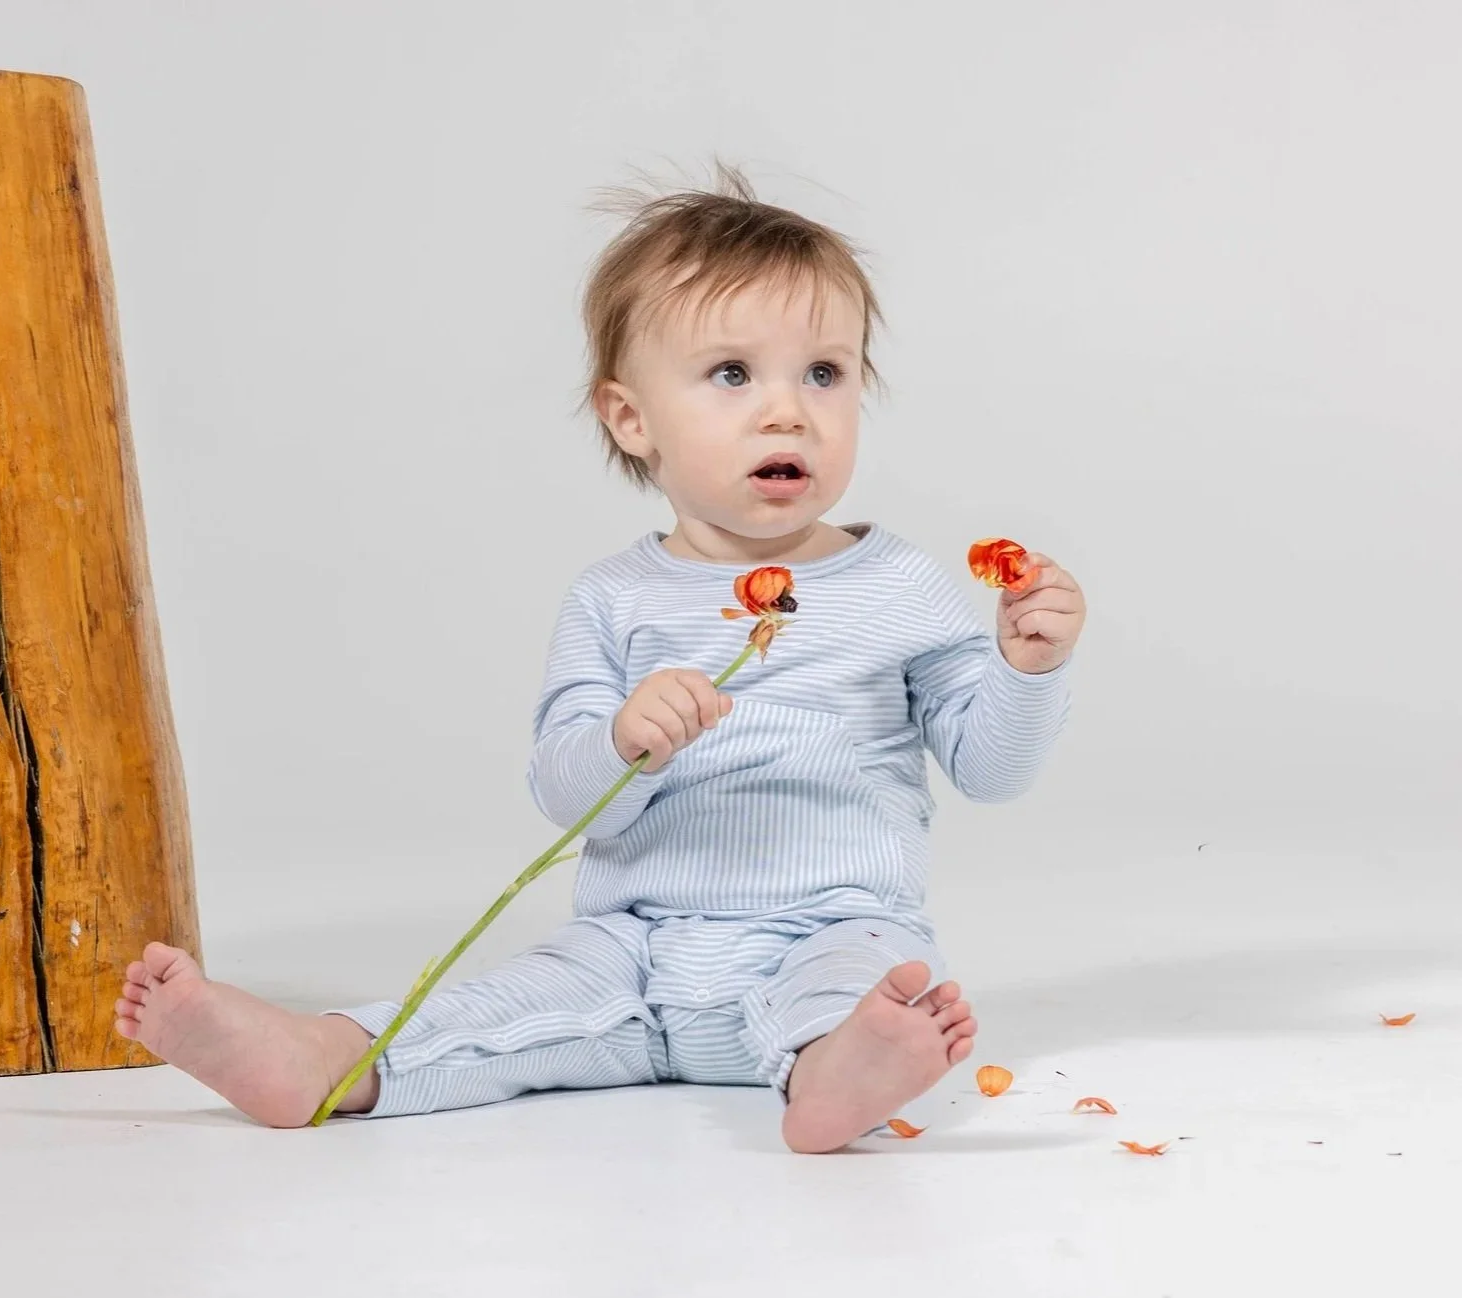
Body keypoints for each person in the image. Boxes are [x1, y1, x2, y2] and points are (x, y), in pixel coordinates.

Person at [113, 161, 1086, 1152]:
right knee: (498, 1006)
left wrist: (1027, 671)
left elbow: (992, 771)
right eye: (732, 374)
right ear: (631, 418)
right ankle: (325, 1060)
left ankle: (836, 1070)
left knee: (860, 987)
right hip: (635, 948)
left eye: (824, 373)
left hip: (830, 930)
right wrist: (623, 742)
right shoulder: (614, 599)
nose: (788, 410)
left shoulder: (904, 586)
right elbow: (560, 791)